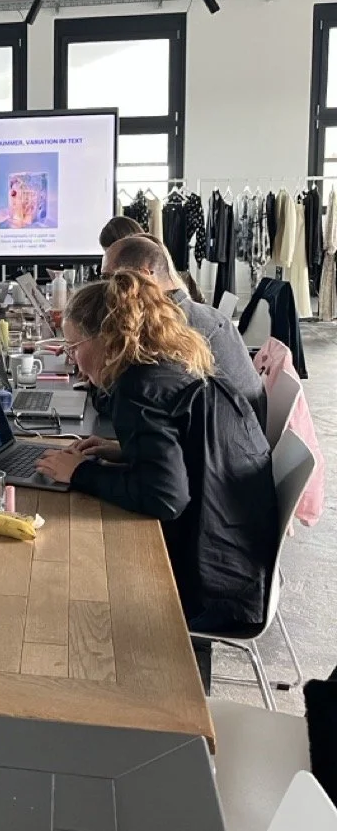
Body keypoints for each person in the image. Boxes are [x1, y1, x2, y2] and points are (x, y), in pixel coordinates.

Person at [35, 273, 278, 631]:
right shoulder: (166, 357)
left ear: (106, 339)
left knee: (72, 570)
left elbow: (165, 497)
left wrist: (80, 473)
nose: (72, 359)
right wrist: (123, 451)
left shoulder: (137, 387)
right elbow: (187, 446)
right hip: (241, 557)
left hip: (213, 586)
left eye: (73, 347)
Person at [102, 234, 266, 425]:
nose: (105, 289)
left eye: (110, 278)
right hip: (232, 437)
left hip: (227, 444)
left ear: (144, 276)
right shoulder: (197, 312)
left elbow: (136, 398)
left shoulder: (169, 326)